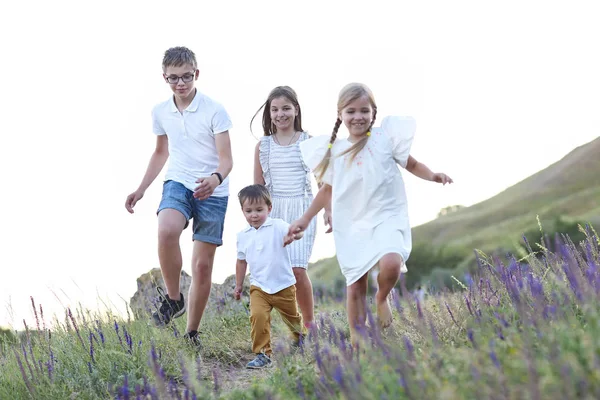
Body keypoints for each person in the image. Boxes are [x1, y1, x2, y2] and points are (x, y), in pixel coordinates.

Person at [286, 83, 453, 343]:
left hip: (388, 214)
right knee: (356, 283)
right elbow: (326, 192)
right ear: (340, 114)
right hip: (352, 222)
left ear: (373, 112)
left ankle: (382, 297)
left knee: (392, 264)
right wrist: (305, 219)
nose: (358, 117)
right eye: (351, 111)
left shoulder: (385, 138)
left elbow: (412, 163)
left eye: (364, 110)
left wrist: (433, 175)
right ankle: (358, 339)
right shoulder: (335, 151)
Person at [125, 46, 233, 345]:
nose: (180, 84)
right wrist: (142, 188)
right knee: (167, 229)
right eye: (173, 78)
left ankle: (192, 332)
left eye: (186, 77)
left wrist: (215, 179)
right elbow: (161, 152)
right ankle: (174, 298)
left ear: (196, 74)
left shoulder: (215, 110)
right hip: (178, 181)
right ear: (165, 78)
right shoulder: (160, 112)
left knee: (202, 266)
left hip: (214, 189)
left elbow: (227, 159)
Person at [251, 86, 331, 329]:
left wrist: (328, 210)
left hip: (302, 208)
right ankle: (290, 325)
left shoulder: (308, 142)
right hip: (273, 211)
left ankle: (309, 325)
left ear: (296, 110)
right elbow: (257, 186)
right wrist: (255, 216)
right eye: (274, 109)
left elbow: (323, 182)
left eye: (286, 108)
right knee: (276, 271)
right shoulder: (263, 146)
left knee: (297, 269)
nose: (280, 114)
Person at [234, 184, 305, 369]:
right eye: (248, 211)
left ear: (269, 208)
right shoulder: (243, 236)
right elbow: (241, 261)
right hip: (259, 287)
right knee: (257, 316)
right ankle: (262, 354)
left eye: (259, 210)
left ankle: (300, 337)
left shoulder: (278, 225)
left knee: (292, 318)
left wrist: (296, 234)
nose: (254, 215)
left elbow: (296, 232)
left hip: (283, 285)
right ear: (242, 211)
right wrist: (238, 285)